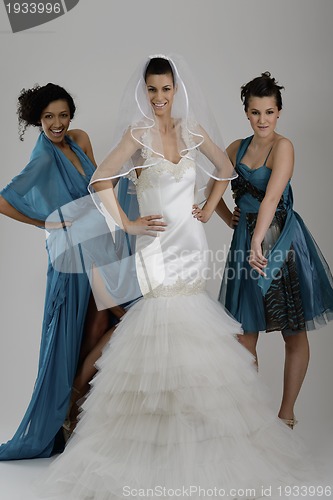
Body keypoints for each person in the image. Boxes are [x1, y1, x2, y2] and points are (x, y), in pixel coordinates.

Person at [39, 57, 316, 499]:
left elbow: (225, 171)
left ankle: (202, 439)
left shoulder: (192, 131)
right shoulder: (137, 134)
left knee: (194, 331)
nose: (160, 98)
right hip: (156, 247)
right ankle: (152, 440)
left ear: (175, 89)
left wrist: (209, 208)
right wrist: (128, 226)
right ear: (144, 92)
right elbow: (99, 181)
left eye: (166, 89)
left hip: (189, 243)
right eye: (152, 90)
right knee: (158, 325)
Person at [0, 83, 125, 459]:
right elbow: (4, 202)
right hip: (71, 257)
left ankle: (79, 415)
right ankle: (64, 417)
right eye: (48, 117)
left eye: (62, 115)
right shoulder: (42, 158)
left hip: (100, 247)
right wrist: (48, 223)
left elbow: (96, 190)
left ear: (71, 115)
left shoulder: (80, 140)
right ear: (37, 120)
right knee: (75, 336)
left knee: (104, 326)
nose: (57, 123)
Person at [216, 72, 333, 429]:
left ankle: (286, 416)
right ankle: (253, 418)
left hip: (282, 243)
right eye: (255, 113)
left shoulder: (284, 147)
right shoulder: (235, 148)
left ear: (279, 112)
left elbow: (270, 198)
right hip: (246, 243)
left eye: (269, 112)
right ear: (246, 113)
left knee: (292, 330)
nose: (262, 120)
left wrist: (257, 240)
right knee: (243, 335)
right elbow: (210, 189)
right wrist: (228, 219)